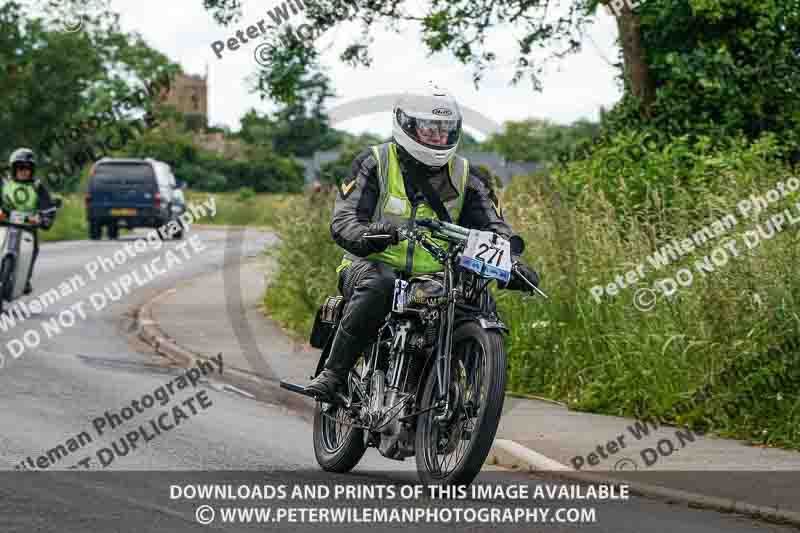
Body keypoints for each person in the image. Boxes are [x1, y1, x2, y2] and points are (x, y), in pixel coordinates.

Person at [305, 84, 540, 400]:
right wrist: (372, 234)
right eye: (430, 128)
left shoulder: (470, 177)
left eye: (445, 130)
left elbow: (495, 228)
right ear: (407, 125)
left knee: (474, 298)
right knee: (380, 285)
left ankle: (470, 393)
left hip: (435, 275)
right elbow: (344, 220)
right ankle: (334, 374)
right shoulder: (374, 162)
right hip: (371, 265)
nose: (438, 137)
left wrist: (511, 263)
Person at [3, 148, 56, 295]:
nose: (24, 171)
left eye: (28, 168)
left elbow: (48, 205)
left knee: (33, 248)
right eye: (20, 167)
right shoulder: (4, 183)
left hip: (28, 226)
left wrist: (46, 218)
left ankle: (25, 279)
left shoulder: (37, 187)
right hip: (4, 222)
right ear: (13, 168)